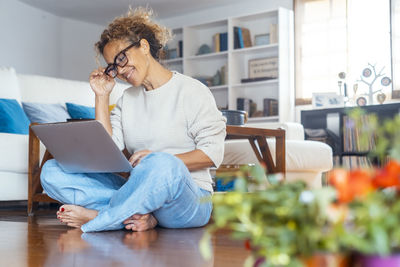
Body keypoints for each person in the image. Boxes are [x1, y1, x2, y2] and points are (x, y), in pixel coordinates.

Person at [40, 7, 226, 233]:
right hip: (137, 191)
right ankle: (138, 216)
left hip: (189, 199)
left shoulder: (192, 91)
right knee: (52, 170)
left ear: (144, 46)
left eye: (121, 58)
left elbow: (211, 154)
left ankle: (100, 220)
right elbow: (108, 151)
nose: (120, 69)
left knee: (161, 164)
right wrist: (102, 95)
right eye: (114, 66)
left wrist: (159, 160)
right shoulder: (127, 99)